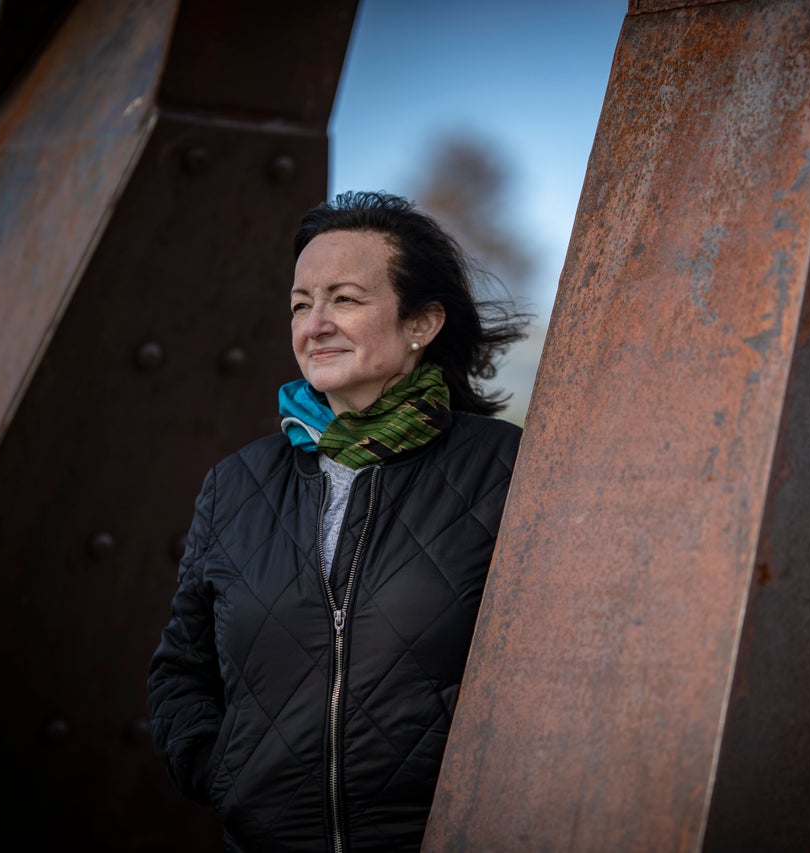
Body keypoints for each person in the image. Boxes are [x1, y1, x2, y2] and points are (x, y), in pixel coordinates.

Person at [146, 190, 529, 852]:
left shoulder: (507, 468)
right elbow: (182, 666)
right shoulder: (235, 484)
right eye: (301, 304)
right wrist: (223, 771)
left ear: (424, 322)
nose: (314, 324)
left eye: (345, 299)